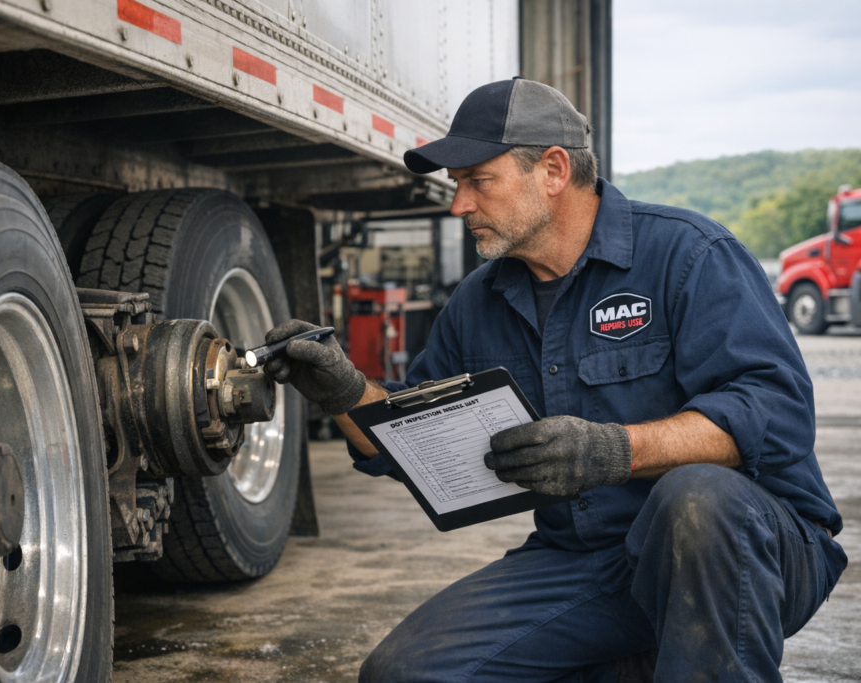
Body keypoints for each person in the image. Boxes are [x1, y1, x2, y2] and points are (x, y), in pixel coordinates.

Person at [263, 78, 848, 682]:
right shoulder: (478, 302)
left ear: (552, 169)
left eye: (477, 181)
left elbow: (775, 414)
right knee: (403, 673)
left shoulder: (688, 255)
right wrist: (342, 391)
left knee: (695, 498)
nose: (458, 205)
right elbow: (404, 443)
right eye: (455, 186)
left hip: (751, 546)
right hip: (591, 559)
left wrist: (616, 450)